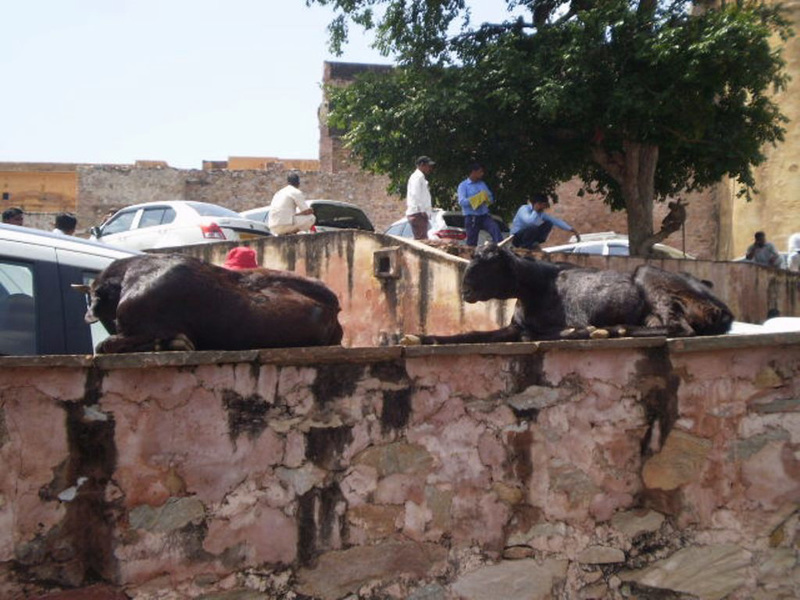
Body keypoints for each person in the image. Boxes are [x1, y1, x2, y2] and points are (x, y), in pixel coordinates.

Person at [456, 162, 503, 247]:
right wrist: (476, 199)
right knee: (472, 242)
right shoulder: (463, 185)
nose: (482, 174)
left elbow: (490, 198)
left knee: (495, 229)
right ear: (473, 172)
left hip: (484, 215)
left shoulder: (482, 184)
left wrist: (486, 199)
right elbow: (462, 202)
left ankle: (501, 250)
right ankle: (471, 257)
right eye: (480, 172)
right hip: (472, 217)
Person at [510, 193, 580, 249]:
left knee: (548, 223)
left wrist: (571, 229)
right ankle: (524, 246)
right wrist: (535, 210)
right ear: (538, 204)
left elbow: (555, 221)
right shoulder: (524, 209)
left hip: (529, 236)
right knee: (532, 227)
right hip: (516, 238)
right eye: (543, 205)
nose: (544, 207)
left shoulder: (541, 213)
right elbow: (529, 222)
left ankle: (534, 243)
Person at [405, 156, 435, 240]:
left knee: (421, 239)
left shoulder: (418, 176)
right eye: (428, 166)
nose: (429, 168)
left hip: (417, 213)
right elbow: (416, 194)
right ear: (422, 165)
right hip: (418, 213)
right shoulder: (418, 176)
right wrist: (422, 210)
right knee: (422, 241)